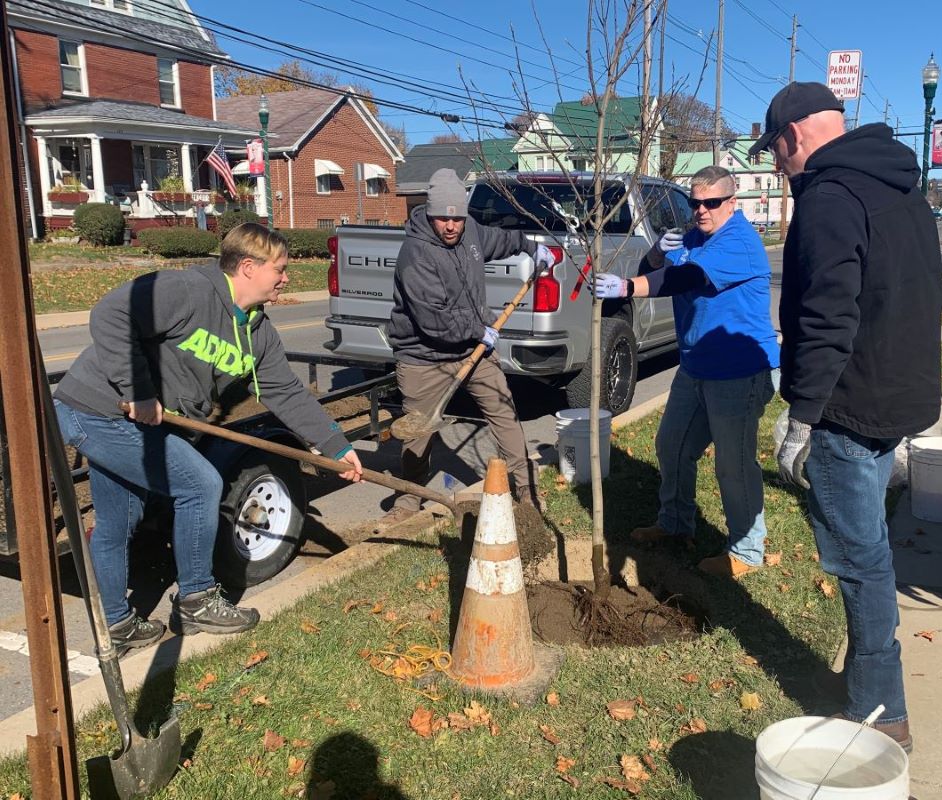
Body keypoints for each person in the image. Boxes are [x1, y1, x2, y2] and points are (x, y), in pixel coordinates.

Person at [53, 223, 363, 653]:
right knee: (200, 484)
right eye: (281, 269)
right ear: (249, 267)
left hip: (136, 424)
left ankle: (116, 627)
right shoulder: (188, 290)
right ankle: (196, 600)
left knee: (118, 522)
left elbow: (287, 393)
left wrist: (337, 447)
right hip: (96, 409)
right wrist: (138, 391)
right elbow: (111, 313)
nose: (286, 278)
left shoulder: (257, 332)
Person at [749, 82, 942, 751]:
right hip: (891, 398)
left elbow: (827, 316)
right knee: (869, 554)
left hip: (848, 408)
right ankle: (875, 692)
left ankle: (878, 707)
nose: (774, 163)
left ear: (792, 134)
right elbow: (926, 295)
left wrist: (801, 417)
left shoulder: (829, 197)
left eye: (773, 148)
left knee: (860, 562)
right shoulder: (901, 190)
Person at [595, 166, 779, 578]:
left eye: (711, 203)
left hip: (738, 370)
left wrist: (627, 287)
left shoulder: (740, 242)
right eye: (695, 202)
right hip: (695, 365)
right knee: (672, 445)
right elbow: (657, 267)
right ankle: (675, 524)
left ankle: (747, 552)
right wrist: (659, 251)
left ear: (732, 203)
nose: (700, 210)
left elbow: (686, 277)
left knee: (733, 463)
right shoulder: (694, 235)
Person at [382, 168, 555, 523]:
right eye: (442, 217)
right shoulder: (416, 255)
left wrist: (530, 247)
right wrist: (480, 329)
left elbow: (498, 240)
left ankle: (525, 488)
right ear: (429, 214)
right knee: (419, 429)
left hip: (474, 350)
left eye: (457, 217)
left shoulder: (470, 232)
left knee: (504, 412)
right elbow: (434, 321)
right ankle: (408, 499)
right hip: (423, 355)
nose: (450, 225)